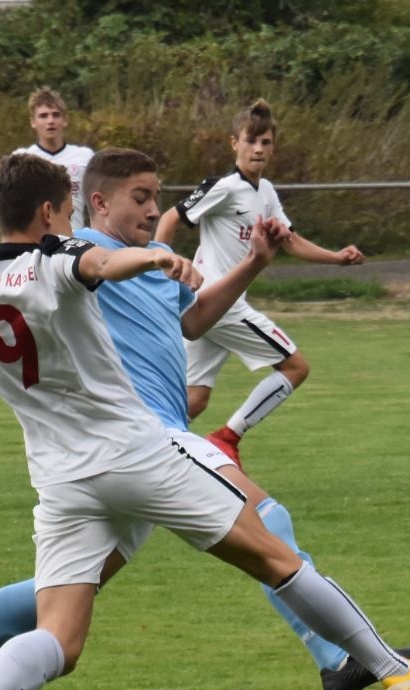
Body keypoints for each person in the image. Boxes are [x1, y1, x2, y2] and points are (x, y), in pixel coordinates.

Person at [0, 151, 410, 690]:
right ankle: (393, 671)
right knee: (275, 554)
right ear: (54, 211)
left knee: (60, 635)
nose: (152, 209)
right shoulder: (62, 257)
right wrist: (154, 256)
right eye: (73, 210)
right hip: (138, 453)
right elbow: (101, 262)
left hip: (62, 479)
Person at [155, 98, 365, 467]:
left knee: (194, 399)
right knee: (296, 368)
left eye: (265, 142)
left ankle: (138, 450)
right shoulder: (223, 187)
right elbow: (171, 218)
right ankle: (227, 438)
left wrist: (336, 257)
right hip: (220, 304)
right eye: (250, 141)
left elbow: (290, 240)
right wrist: (160, 270)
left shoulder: (265, 191)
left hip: (207, 307)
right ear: (233, 143)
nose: (258, 149)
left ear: (273, 147)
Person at [0, 86, 93, 252]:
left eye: (56, 115)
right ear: (33, 122)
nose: (50, 121)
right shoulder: (22, 158)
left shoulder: (84, 156)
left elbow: (102, 195)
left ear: (65, 120)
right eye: (43, 116)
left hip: (72, 243)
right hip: (33, 247)